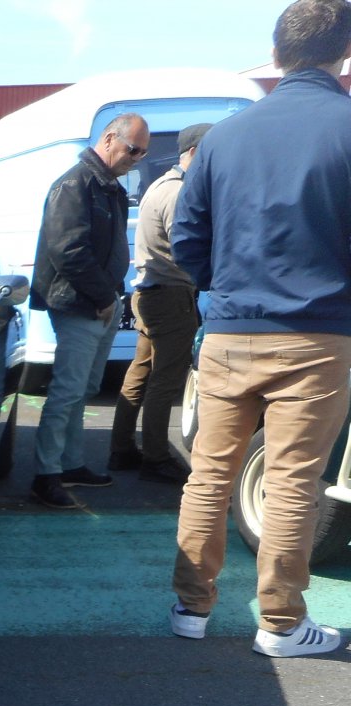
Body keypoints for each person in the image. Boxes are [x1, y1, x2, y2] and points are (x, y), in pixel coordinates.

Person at [169, 0, 351, 657]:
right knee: (294, 481)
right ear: (343, 55)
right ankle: (280, 623)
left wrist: (222, 289)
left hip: (229, 329)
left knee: (208, 475)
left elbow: (186, 237)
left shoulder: (223, 136)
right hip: (318, 334)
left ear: (276, 55)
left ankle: (190, 608)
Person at [28, 112, 151, 509]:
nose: (138, 158)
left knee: (83, 389)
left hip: (99, 301)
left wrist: (110, 297)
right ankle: (46, 475)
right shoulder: (74, 184)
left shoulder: (107, 186)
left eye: (143, 153)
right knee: (67, 392)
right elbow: (68, 250)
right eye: (133, 149)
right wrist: (103, 297)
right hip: (80, 304)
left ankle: (70, 463)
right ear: (109, 139)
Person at [108, 122, 212, 485]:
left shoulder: (160, 185)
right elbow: (185, 248)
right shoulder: (180, 192)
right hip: (170, 295)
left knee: (141, 372)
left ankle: (121, 448)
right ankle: (155, 457)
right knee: (165, 380)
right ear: (194, 153)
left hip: (151, 292)